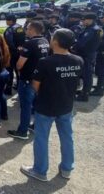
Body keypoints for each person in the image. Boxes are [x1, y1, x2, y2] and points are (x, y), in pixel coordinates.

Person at [20, 29, 84, 182]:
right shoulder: (78, 60)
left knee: (41, 138)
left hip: (46, 106)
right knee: (67, 137)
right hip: (66, 106)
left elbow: (35, 85)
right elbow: (78, 84)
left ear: (55, 41)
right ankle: (67, 168)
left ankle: (40, 170)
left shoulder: (46, 62)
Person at [7, 21, 50, 140]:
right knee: (36, 104)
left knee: (26, 106)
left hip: (28, 79)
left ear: (32, 30)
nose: (26, 31)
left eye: (27, 29)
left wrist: (18, 68)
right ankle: (35, 126)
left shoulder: (29, 43)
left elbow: (20, 64)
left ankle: (22, 131)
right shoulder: (45, 41)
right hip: (40, 78)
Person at [72, 13, 102, 102]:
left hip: (87, 55)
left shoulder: (92, 30)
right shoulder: (91, 28)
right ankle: (84, 91)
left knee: (87, 75)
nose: (82, 21)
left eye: (84, 20)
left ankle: (85, 94)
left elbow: (82, 43)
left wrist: (74, 47)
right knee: (85, 74)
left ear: (90, 20)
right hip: (87, 54)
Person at [4, 15, 26, 95]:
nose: (6, 21)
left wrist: (13, 49)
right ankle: (19, 87)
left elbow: (9, 42)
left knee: (10, 71)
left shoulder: (10, 29)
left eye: (7, 20)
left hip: (12, 53)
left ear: (11, 21)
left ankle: (8, 89)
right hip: (20, 52)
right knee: (18, 70)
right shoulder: (20, 28)